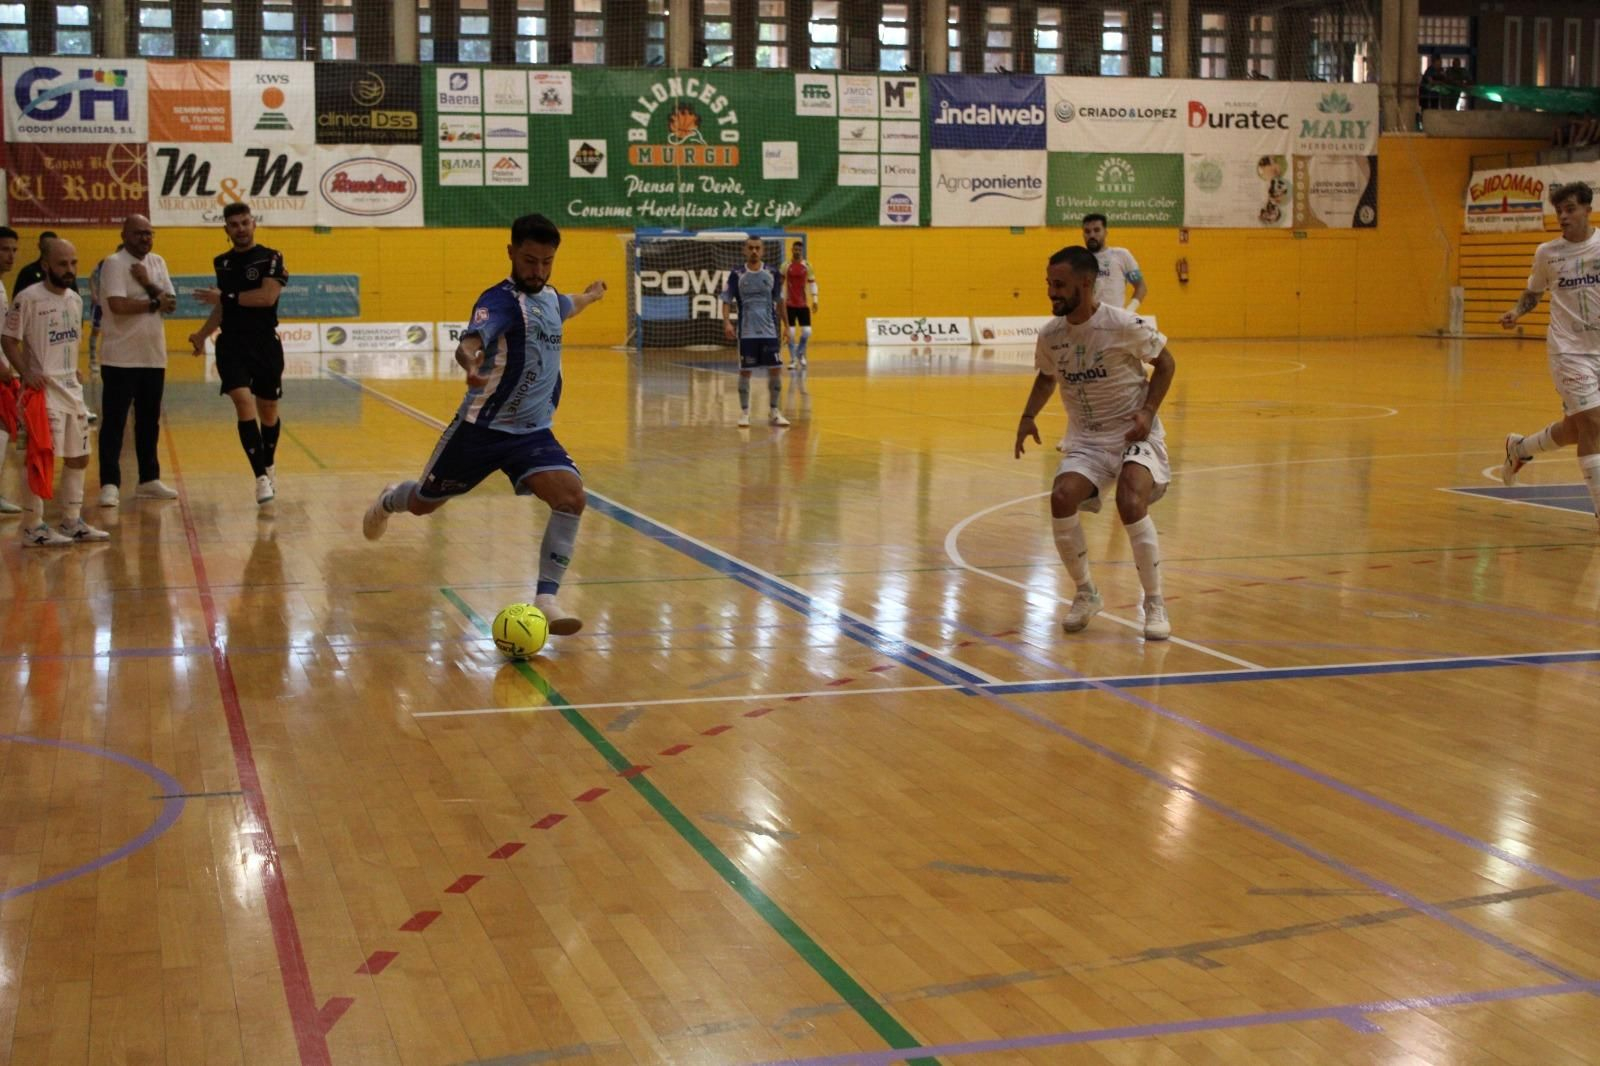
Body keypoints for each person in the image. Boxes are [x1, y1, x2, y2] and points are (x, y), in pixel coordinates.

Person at [361, 213, 607, 636]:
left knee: (571, 498)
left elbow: (572, 304)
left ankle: (546, 598)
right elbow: (472, 340)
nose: (538, 271)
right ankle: (389, 499)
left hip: (531, 433)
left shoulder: (550, 299)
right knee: (423, 504)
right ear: (511, 252)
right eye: (530, 261)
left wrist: (592, 295)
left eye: (547, 262)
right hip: (479, 432)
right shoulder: (499, 301)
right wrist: (470, 361)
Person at [1014, 245, 1176, 640]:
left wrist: (1149, 411)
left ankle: (1153, 602)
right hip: (1087, 440)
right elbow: (1046, 376)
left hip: (1133, 433)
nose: (1052, 292)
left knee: (1129, 500)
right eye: (1049, 283)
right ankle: (1086, 592)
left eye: (1060, 284)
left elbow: (1166, 363)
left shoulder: (1122, 324)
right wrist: (1027, 417)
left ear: (1086, 284)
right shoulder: (1052, 335)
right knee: (1061, 497)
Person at [1499, 181, 1600, 529]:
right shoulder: (1548, 253)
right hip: (1568, 351)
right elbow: (1533, 292)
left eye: (1570, 208)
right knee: (1594, 423)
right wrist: (1517, 312)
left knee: (1577, 428)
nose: (1563, 216)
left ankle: (1521, 448)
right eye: (1559, 210)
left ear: (1588, 208)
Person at [0, 238, 110, 545]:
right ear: (46, 265)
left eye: (73, 263)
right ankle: (32, 527)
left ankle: (71, 521)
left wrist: (72, 366)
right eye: (63, 264)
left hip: (71, 390)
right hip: (41, 391)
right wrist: (26, 371)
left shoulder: (75, 299)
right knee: (40, 457)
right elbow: (8, 339)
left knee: (80, 456)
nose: (70, 269)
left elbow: (66, 341)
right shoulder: (28, 298)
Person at [187, 202, 288, 506]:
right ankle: (260, 478)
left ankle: (268, 463)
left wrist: (226, 297)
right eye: (234, 224)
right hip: (231, 344)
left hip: (264, 344)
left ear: (253, 223)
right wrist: (202, 335)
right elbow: (223, 307)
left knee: (268, 409)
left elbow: (266, 297)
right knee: (243, 402)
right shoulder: (222, 262)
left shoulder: (271, 257)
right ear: (226, 230)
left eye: (245, 222)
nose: (240, 229)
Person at [97, 216, 178, 507]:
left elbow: (170, 302)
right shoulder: (114, 263)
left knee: (149, 420)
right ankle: (109, 483)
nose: (145, 238)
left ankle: (149, 479)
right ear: (125, 235)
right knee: (115, 422)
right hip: (120, 357)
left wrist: (147, 283)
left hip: (153, 356)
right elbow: (118, 306)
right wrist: (154, 302)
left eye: (149, 233)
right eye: (139, 233)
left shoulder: (157, 262)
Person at [1060, 214, 1149, 452]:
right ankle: (1073, 435)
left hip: (1117, 328)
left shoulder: (1121, 255)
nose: (1092, 235)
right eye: (1087, 231)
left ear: (1106, 231)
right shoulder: (1079, 261)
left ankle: (1138, 424)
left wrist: (1129, 312)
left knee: (1123, 379)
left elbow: (1141, 287)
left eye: (1096, 230)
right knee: (1079, 383)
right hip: (1087, 329)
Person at [722, 236, 790, 428]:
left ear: (763, 251)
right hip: (747, 333)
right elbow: (726, 300)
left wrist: (787, 326)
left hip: (769, 333)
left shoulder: (772, 273)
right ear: (745, 250)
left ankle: (775, 412)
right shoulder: (737, 274)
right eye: (750, 248)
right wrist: (727, 322)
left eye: (757, 248)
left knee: (776, 370)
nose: (754, 251)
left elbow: (780, 301)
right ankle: (744, 413)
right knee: (745, 372)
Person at [0, 225, 21, 517]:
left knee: (4, 427)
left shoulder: (3, 285)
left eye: (15, 250)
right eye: (5, 249)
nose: (11, 255)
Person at [782, 239, 818, 369]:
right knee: (790, 332)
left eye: (799, 250)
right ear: (792, 250)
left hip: (803, 304)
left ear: (801, 251)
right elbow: (780, 282)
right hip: (790, 305)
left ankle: (800, 353)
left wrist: (815, 300)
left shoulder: (807, 265)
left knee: (807, 331)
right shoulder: (785, 265)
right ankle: (793, 359)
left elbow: (812, 282)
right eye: (795, 249)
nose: (797, 252)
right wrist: (779, 299)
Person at [12, 230, 57, 295]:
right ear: (39, 246)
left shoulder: (63, 272)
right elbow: (17, 299)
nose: (48, 248)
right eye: (45, 245)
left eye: (51, 245)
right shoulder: (28, 272)